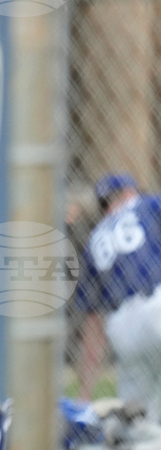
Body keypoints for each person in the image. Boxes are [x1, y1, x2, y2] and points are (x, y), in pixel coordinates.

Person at [75, 173, 161, 421]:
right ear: (128, 193)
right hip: (156, 305)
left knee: (139, 420)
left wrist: (85, 393)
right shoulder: (147, 205)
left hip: (121, 330)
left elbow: (94, 324)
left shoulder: (94, 240)